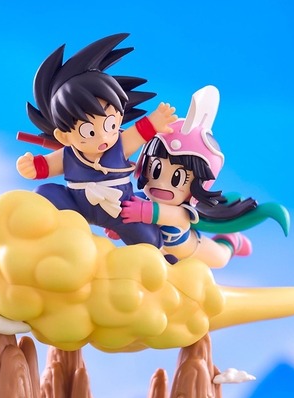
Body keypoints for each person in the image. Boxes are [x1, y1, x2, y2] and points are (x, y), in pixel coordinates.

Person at [16, 33, 175, 247]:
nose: (103, 137)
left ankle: (158, 252)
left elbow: (141, 131)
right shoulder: (69, 154)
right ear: (64, 136)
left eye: (110, 125)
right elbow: (44, 166)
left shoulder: (119, 145)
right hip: (76, 208)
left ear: (120, 116)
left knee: (148, 240)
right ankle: (61, 240)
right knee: (45, 194)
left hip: (119, 210)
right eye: (88, 132)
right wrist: (31, 166)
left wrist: (156, 121)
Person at [120, 86, 290, 266]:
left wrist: (142, 211)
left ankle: (233, 241)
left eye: (177, 178)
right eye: (155, 170)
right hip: (161, 255)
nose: (161, 184)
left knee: (220, 258)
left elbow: (167, 215)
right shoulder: (142, 199)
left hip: (194, 249)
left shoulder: (181, 213)